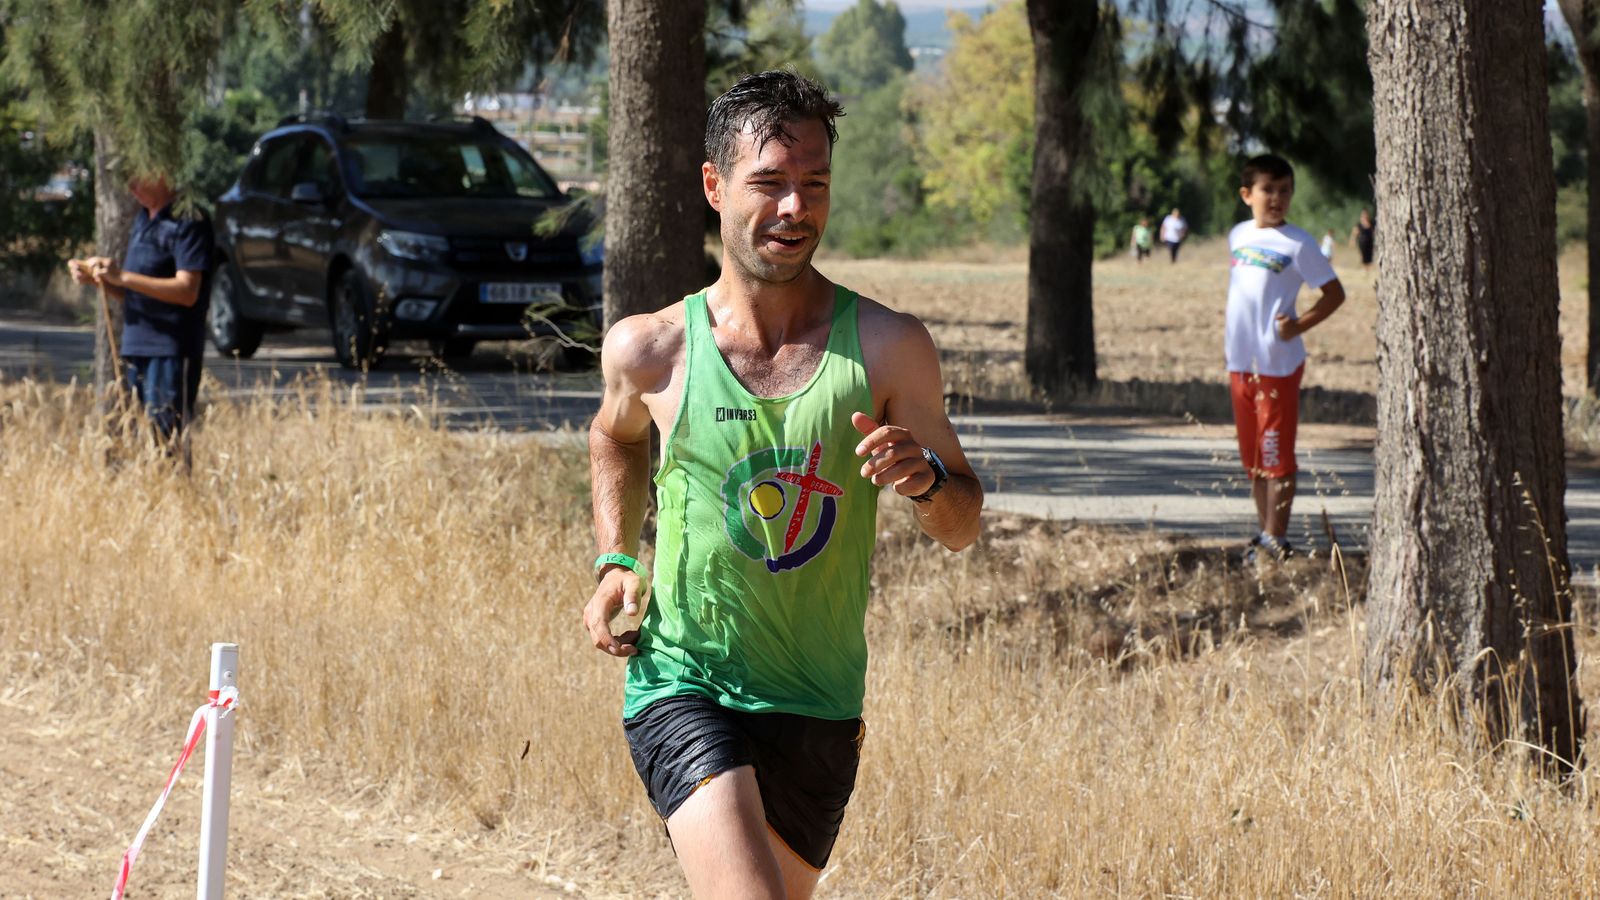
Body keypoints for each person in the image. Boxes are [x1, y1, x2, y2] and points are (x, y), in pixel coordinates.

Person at [583, 70, 983, 899]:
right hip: (684, 682)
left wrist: (926, 481)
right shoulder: (651, 349)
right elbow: (613, 438)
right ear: (713, 185)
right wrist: (615, 558)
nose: (795, 209)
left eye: (815, 185)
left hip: (819, 705)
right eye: (769, 183)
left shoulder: (888, 346)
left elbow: (961, 524)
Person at [1225, 154, 1345, 562]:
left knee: (1276, 456)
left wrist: (1297, 326)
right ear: (1247, 195)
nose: (1276, 198)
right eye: (1267, 190)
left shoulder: (1298, 243)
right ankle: (1265, 537)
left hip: (1277, 365)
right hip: (1240, 363)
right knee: (1254, 460)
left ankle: (1276, 541)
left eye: (1284, 191)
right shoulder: (1237, 236)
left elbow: (1334, 294)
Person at [68, 173, 213, 443]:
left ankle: (176, 486)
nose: (132, 186)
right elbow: (133, 295)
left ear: (163, 175)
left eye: (139, 178)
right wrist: (99, 281)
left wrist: (122, 276)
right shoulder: (143, 219)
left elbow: (187, 291)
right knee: (141, 436)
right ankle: (151, 484)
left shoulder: (189, 219)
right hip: (137, 346)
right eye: (129, 179)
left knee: (168, 438)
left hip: (171, 347)